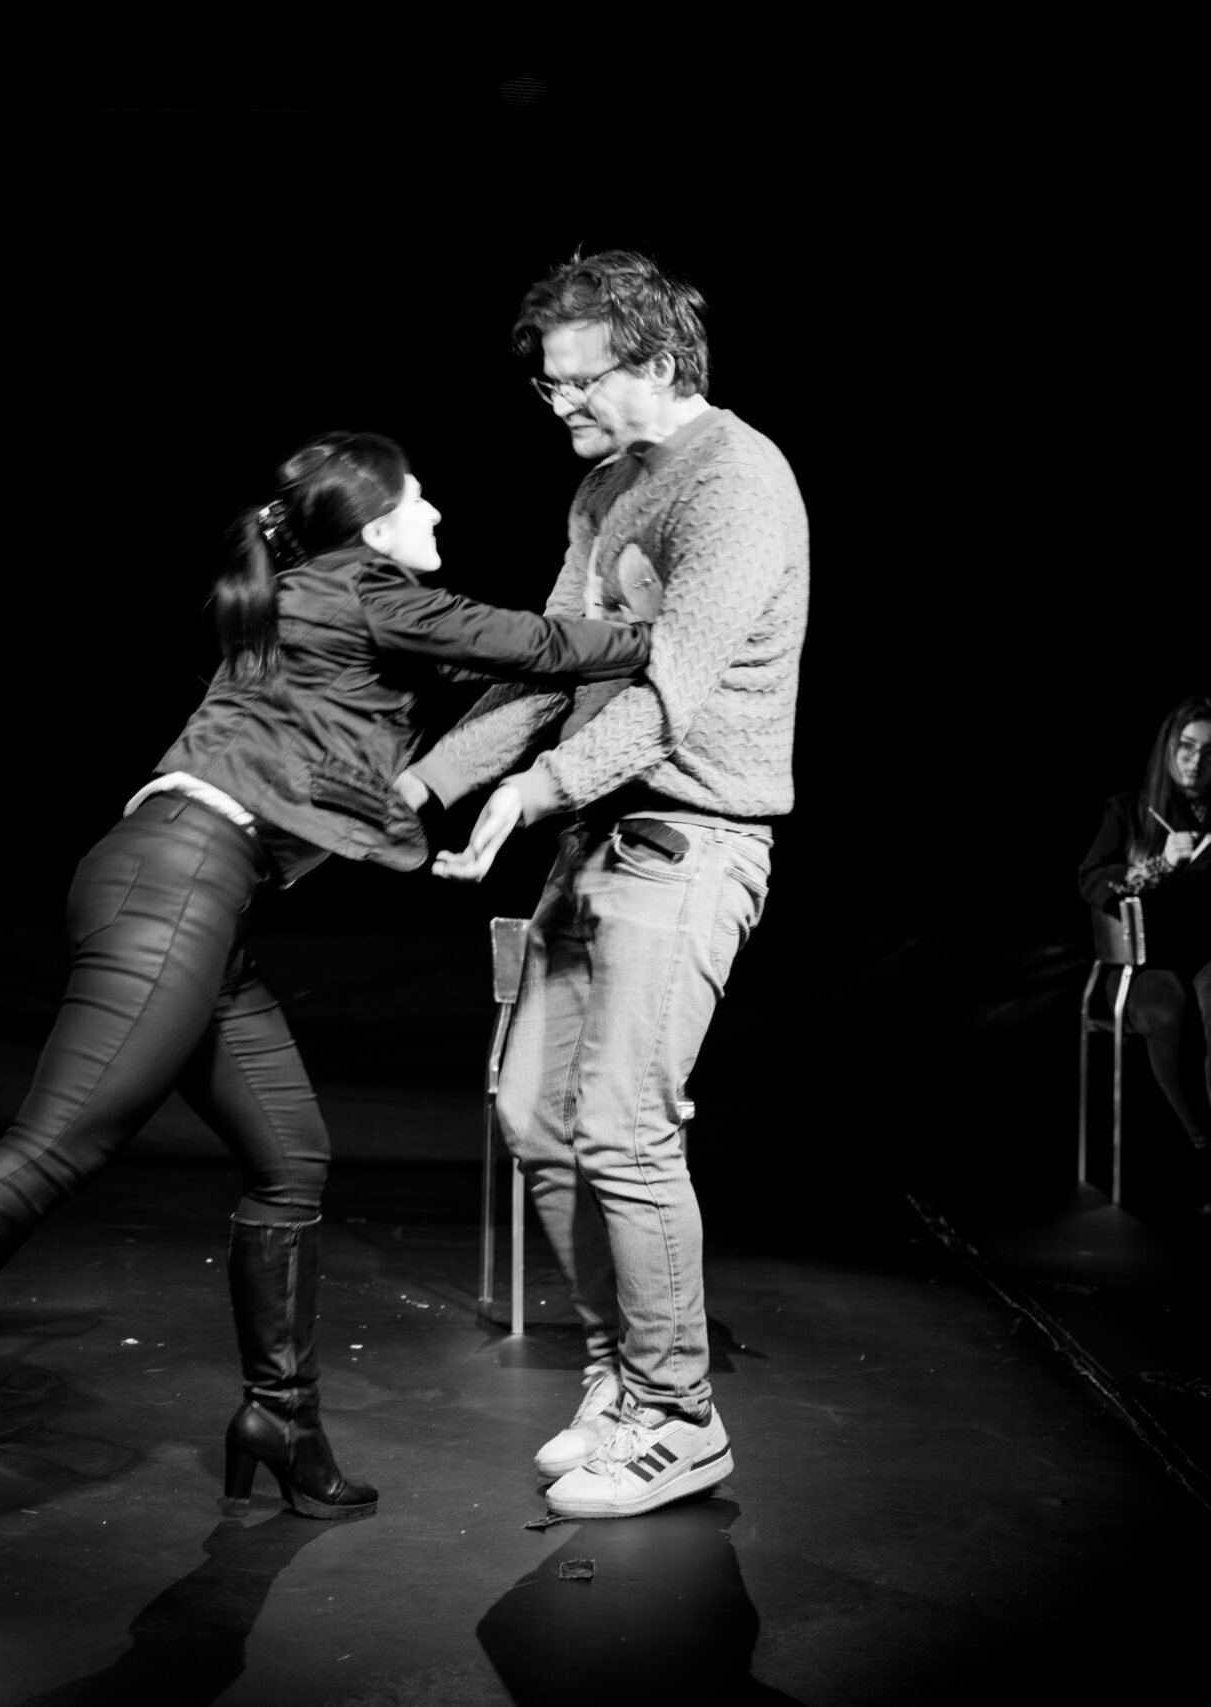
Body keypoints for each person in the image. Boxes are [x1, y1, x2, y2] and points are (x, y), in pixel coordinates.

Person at [0, 431, 653, 1532]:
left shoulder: (339, 606)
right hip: (177, 881)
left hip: (205, 895)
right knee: (56, 1146)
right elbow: (544, 643)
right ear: (376, 524)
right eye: (420, 497)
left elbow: (497, 670)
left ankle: (280, 1419)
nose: (436, 512)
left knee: (290, 1156)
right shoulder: (363, 587)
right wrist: (675, 636)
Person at [397, 251, 811, 1519]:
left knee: (626, 1125)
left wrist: (534, 791)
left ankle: (681, 1417)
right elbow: (552, 664)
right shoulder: (603, 489)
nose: (560, 404)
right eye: (548, 386)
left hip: (691, 837)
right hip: (595, 839)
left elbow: (669, 691)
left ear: (659, 361)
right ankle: (620, 1384)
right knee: (534, 1114)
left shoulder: (736, 482)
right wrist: (422, 784)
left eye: (580, 382)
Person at [1078, 695, 1211, 1214]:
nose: (1195, 761)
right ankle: (1206, 1150)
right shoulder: (1128, 809)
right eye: (1185, 747)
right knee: (1165, 1009)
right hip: (1146, 960)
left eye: (1210, 752)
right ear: (1168, 748)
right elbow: (1092, 882)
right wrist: (1160, 865)